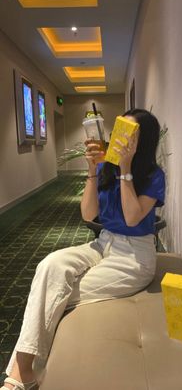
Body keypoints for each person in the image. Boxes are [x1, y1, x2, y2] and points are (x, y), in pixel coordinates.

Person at [1, 109, 165, 390]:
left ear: (144, 141)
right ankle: (23, 373)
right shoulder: (106, 169)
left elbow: (132, 218)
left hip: (135, 257)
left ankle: (19, 375)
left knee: (54, 293)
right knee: (49, 267)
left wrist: (126, 171)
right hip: (103, 242)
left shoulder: (153, 175)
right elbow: (89, 216)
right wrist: (93, 170)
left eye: (130, 133)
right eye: (118, 130)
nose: (120, 138)